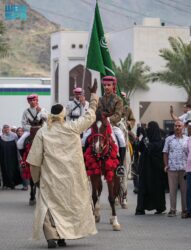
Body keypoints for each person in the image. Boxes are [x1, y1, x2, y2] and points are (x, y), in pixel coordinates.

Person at [26, 82, 98, 248]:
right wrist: (93, 96)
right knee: (66, 206)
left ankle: (53, 236)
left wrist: (36, 179)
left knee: (47, 207)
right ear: (64, 114)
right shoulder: (73, 127)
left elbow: (35, 161)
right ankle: (62, 236)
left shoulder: (43, 132)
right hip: (70, 179)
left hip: (49, 179)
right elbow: (90, 116)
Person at [97, 76, 127, 207]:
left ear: (113, 86)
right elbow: (97, 111)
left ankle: (120, 164)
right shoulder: (100, 99)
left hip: (113, 124)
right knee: (86, 137)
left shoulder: (118, 99)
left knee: (120, 139)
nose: (106, 87)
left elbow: (118, 114)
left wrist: (109, 121)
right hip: (101, 124)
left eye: (108, 85)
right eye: (104, 85)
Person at [135, 121, 166, 215]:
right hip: (145, 168)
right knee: (143, 187)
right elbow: (138, 148)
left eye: (149, 127)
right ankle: (141, 208)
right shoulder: (146, 139)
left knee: (157, 188)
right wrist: (139, 137)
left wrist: (145, 137)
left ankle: (159, 207)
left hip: (156, 169)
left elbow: (150, 148)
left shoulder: (161, 141)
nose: (147, 129)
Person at [163, 120, 188, 218]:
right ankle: (172, 210)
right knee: (172, 190)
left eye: (179, 126)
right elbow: (165, 152)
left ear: (183, 127)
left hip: (184, 168)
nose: (177, 127)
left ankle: (184, 210)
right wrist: (166, 165)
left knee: (184, 190)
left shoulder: (188, 139)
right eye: (175, 126)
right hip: (172, 168)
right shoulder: (169, 139)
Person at [0, 125, 23, 189]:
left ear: (9, 129)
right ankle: (6, 184)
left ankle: (13, 183)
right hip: (4, 156)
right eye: (5, 128)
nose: (6, 129)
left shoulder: (14, 136)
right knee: (5, 170)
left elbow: (18, 145)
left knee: (13, 169)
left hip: (13, 156)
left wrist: (19, 156)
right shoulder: (1, 137)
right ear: (3, 129)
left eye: (7, 128)